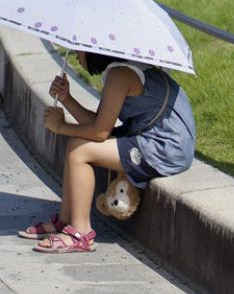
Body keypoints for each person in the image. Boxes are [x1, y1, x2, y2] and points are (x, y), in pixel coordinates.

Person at [18, 50, 196, 253]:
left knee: (79, 151)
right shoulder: (125, 70)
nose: (76, 53)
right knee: (77, 144)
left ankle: (80, 233)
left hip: (164, 149)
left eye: (81, 49)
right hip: (157, 140)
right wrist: (67, 99)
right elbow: (101, 124)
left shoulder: (120, 75)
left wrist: (60, 127)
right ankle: (66, 220)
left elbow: (99, 133)